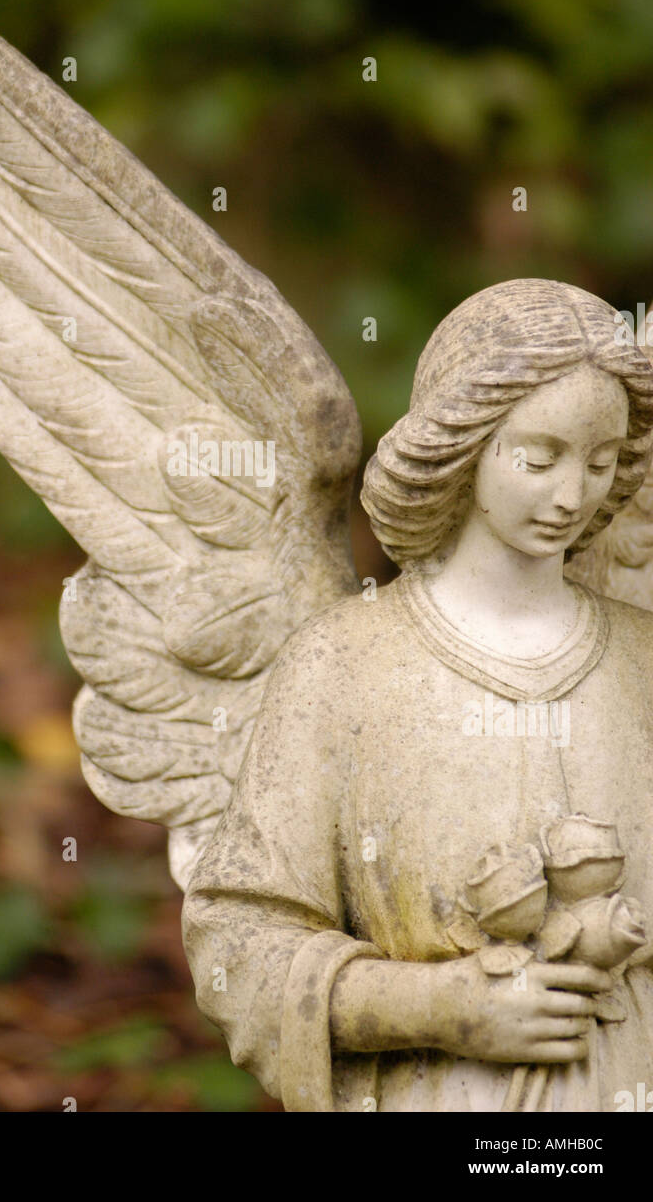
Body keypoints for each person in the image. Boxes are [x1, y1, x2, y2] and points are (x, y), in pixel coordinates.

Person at [182, 279, 653, 1111]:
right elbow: (240, 941)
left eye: (603, 461)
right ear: (462, 448)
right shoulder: (345, 666)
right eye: (539, 458)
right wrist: (439, 1007)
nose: (573, 494)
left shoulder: (643, 658)